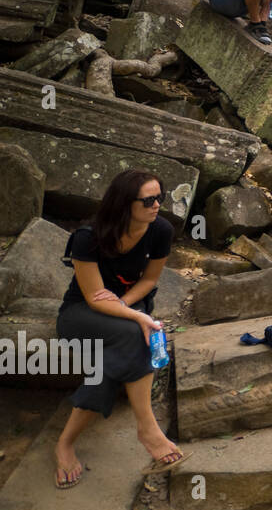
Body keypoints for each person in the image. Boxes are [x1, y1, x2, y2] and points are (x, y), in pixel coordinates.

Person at [52, 170, 188, 489]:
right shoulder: (88, 236)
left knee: (119, 354)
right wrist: (135, 317)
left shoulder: (161, 231)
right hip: (82, 314)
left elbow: (151, 280)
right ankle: (148, 427)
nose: (157, 206)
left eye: (160, 198)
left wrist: (128, 309)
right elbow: (95, 297)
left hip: (128, 304)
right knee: (135, 334)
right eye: (149, 200)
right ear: (125, 204)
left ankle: (65, 443)